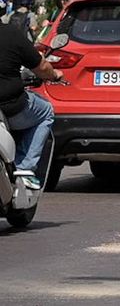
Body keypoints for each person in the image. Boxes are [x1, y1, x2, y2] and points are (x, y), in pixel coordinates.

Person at [0, 12, 63, 189]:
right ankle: (25, 169)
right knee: (46, 112)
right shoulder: (11, 34)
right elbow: (42, 67)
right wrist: (55, 74)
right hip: (11, 107)